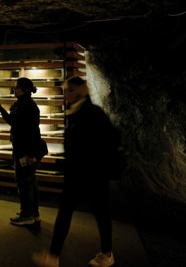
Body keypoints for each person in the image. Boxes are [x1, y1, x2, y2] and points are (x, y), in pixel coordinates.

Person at [32, 76, 116, 267]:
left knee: (99, 213)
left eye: (69, 90)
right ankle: (54, 256)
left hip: (93, 174)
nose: (66, 94)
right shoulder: (78, 112)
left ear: (80, 91)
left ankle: (106, 253)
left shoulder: (92, 113)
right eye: (65, 90)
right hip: (80, 173)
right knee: (70, 212)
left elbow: (108, 140)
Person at [0, 77, 42, 226]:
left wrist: (30, 154)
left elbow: (31, 132)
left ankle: (26, 214)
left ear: (25, 90)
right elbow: (14, 122)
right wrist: (2, 110)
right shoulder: (23, 105)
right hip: (24, 149)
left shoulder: (27, 107)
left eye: (17, 87)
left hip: (25, 151)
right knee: (30, 181)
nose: (15, 90)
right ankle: (33, 213)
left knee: (24, 182)